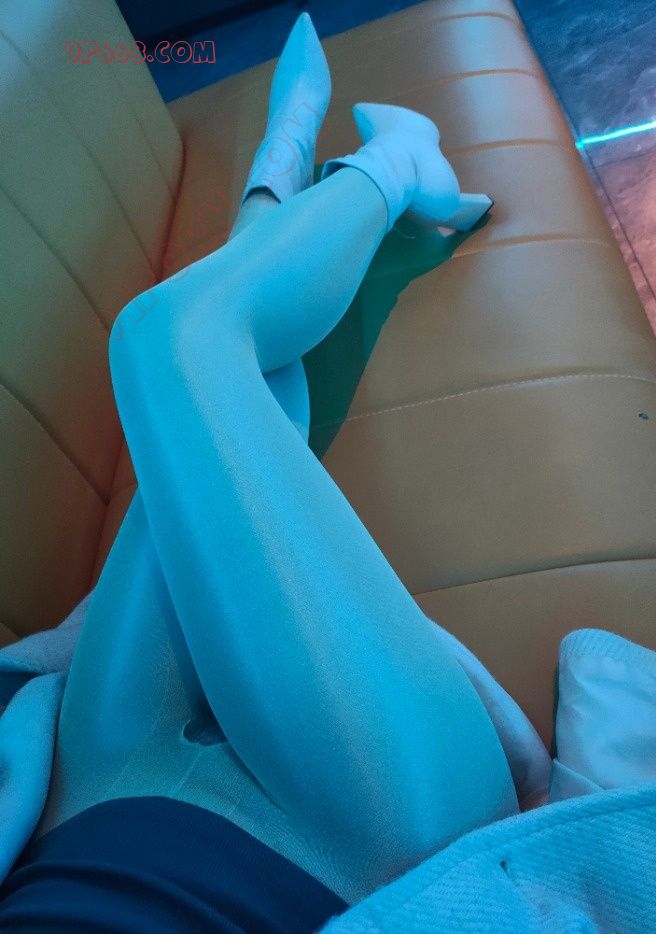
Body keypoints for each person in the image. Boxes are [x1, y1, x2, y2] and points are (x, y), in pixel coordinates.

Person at [0, 14, 517, 932]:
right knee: (170, 340)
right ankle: (380, 163)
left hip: (91, 806)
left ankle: (295, 187)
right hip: (368, 851)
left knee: (215, 408)